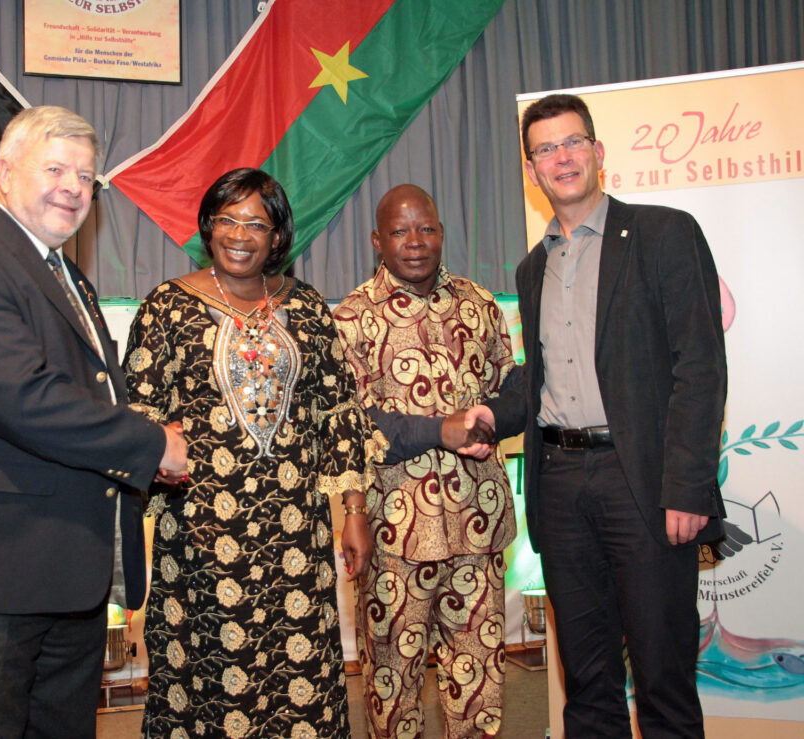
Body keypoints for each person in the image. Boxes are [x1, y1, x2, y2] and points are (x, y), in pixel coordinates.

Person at [0, 105, 187, 738]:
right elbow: (24, 399)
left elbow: (89, 397)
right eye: (55, 169)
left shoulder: (66, 275)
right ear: (4, 171)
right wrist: (149, 442)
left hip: (63, 576)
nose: (73, 188)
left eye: (86, 178)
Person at [464, 94, 727, 738]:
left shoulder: (664, 234)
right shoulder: (533, 268)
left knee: (663, 677)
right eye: (546, 149)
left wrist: (686, 486)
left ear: (598, 151)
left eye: (572, 142)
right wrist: (491, 415)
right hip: (560, 487)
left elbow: (700, 367)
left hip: (642, 482)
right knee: (585, 682)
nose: (562, 158)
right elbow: (541, 376)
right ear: (532, 170)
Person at [124, 167, 384, 738]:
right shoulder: (167, 306)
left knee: (301, 675)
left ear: (278, 235)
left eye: (256, 224)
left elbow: (338, 411)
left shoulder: (306, 305)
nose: (239, 235)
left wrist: (355, 512)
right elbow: (137, 415)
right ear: (208, 226)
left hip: (297, 536)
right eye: (227, 220)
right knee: (213, 681)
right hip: (202, 538)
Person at [332, 184, 517, 738]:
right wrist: (354, 513)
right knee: (393, 688)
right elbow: (350, 425)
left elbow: (509, 391)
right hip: (395, 534)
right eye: (399, 231)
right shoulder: (351, 318)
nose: (415, 242)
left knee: (480, 685)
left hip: (478, 526)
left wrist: (491, 422)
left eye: (426, 229)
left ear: (441, 232)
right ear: (377, 240)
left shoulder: (480, 304)